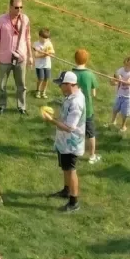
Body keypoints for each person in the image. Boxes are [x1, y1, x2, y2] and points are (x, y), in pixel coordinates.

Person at [48, 71, 86, 212]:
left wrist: (51, 120)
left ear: (69, 84)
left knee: (71, 170)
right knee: (65, 168)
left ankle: (73, 201)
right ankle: (66, 190)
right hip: (64, 142)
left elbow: (70, 128)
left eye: (61, 84)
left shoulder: (76, 102)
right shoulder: (71, 96)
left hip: (71, 143)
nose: (59, 87)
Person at [0, 0, 32, 115]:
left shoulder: (25, 20)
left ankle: (21, 106)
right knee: (2, 84)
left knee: (21, 84)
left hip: (20, 58)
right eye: (16, 7)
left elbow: (28, 37)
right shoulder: (1, 20)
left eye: (21, 7)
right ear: (10, 7)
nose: (19, 10)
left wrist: (30, 56)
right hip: (4, 58)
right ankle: (1, 105)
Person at [73, 48, 100, 164]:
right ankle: (92, 156)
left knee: (74, 131)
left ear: (75, 60)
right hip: (87, 109)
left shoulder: (71, 74)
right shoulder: (90, 74)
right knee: (90, 134)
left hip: (74, 108)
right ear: (87, 60)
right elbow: (94, 93)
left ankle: (73, 152)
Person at [111, 54, 130, 134]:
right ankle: (113, 121)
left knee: (125, 113)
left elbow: (129, 83)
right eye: (126, 64)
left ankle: (123, 126)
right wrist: (116, 78)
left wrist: (121, 80)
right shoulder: (121, 69)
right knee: (115, 109)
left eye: (128, 66)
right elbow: (116, 75)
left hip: (127, 96)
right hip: (119, 94)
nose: (126, 67)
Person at [33, 28, 55, 98]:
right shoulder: (36, 44)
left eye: (46, 38)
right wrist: (44, 55)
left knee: (46, 79)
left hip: (47, 65)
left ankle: (43, 92)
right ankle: (38, 91)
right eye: (43, 38)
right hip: (39, 65)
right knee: (41, 78)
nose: (45, 40)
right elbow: (36, 55)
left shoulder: (49, 44)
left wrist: (49, 54)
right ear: (39, 36)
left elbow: (52, 53)